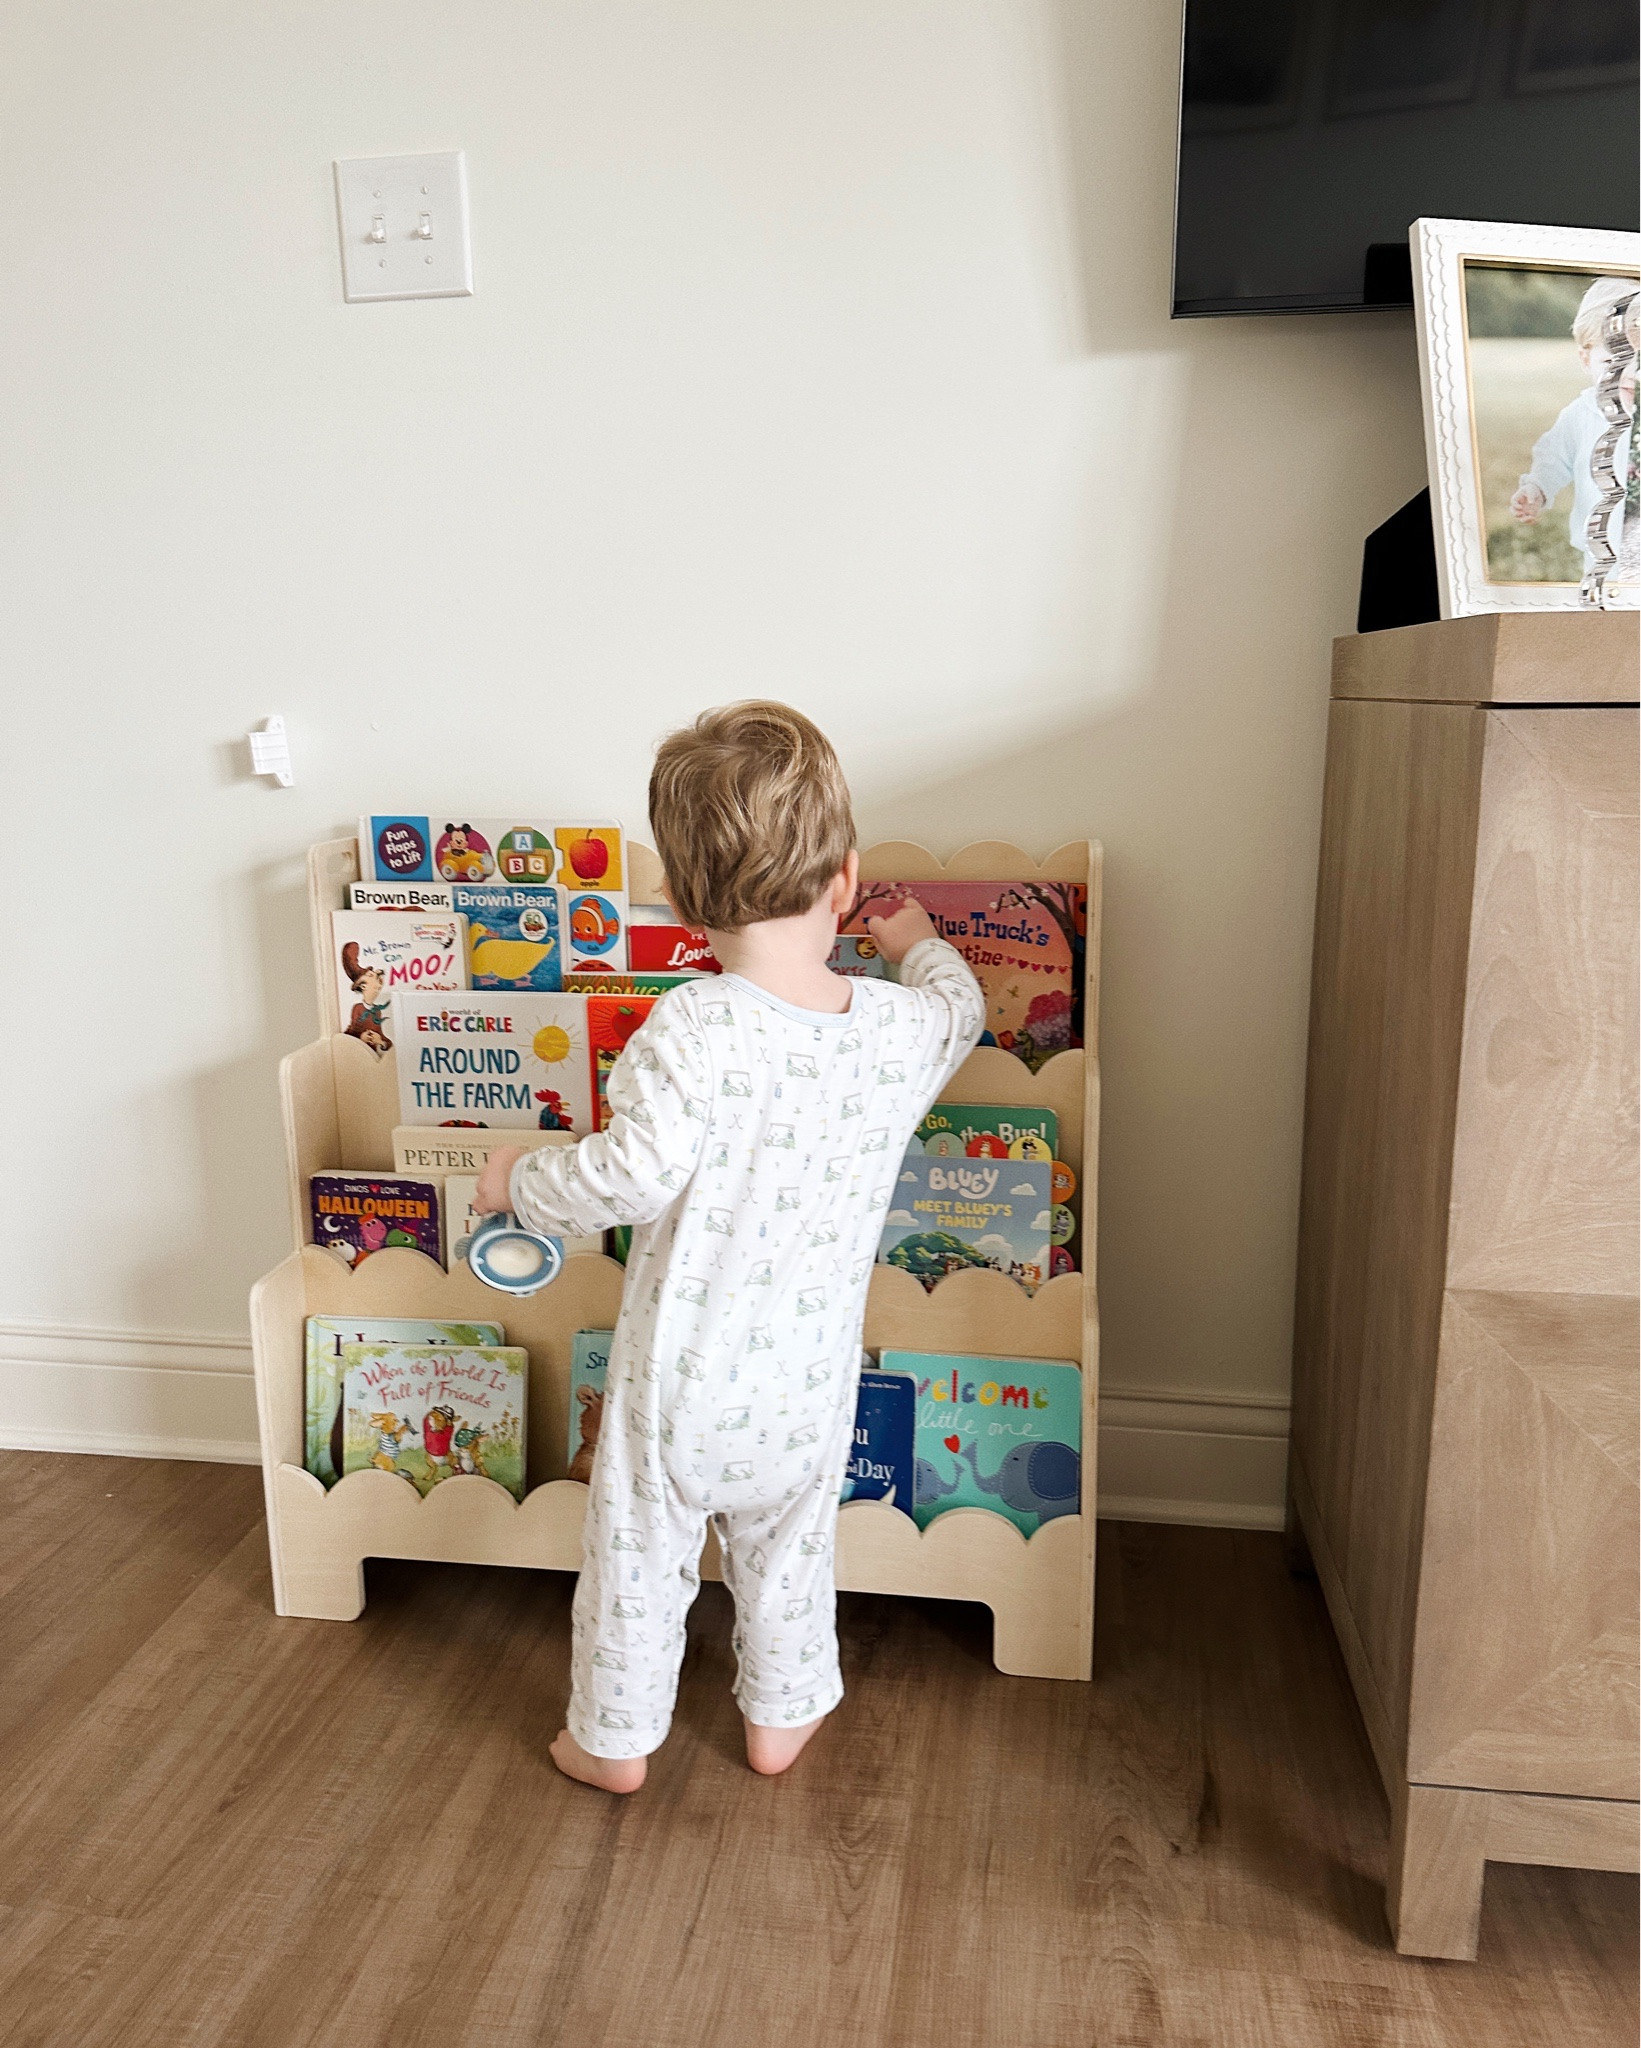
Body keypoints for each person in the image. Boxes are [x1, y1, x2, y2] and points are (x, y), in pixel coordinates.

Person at [473, 703, 984, 1793]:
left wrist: (517, 1176)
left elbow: (627, 1175)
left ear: (679, 899)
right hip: (806, 1387)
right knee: (791, 1554)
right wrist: (914, 944)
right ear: (843, 879)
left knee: (637, 1562)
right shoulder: (896, 1029)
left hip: (683, 1385)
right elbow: (961, 1007)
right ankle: (779, 1720)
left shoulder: (694, 1025)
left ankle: (611, 1741)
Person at [1510, 275, 1638, 578]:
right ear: (1586, 359)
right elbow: (1554, 457)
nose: (1628, 375)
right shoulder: (1581, 415)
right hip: (1606, 561)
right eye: (1612, 363)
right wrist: (1536, 489)